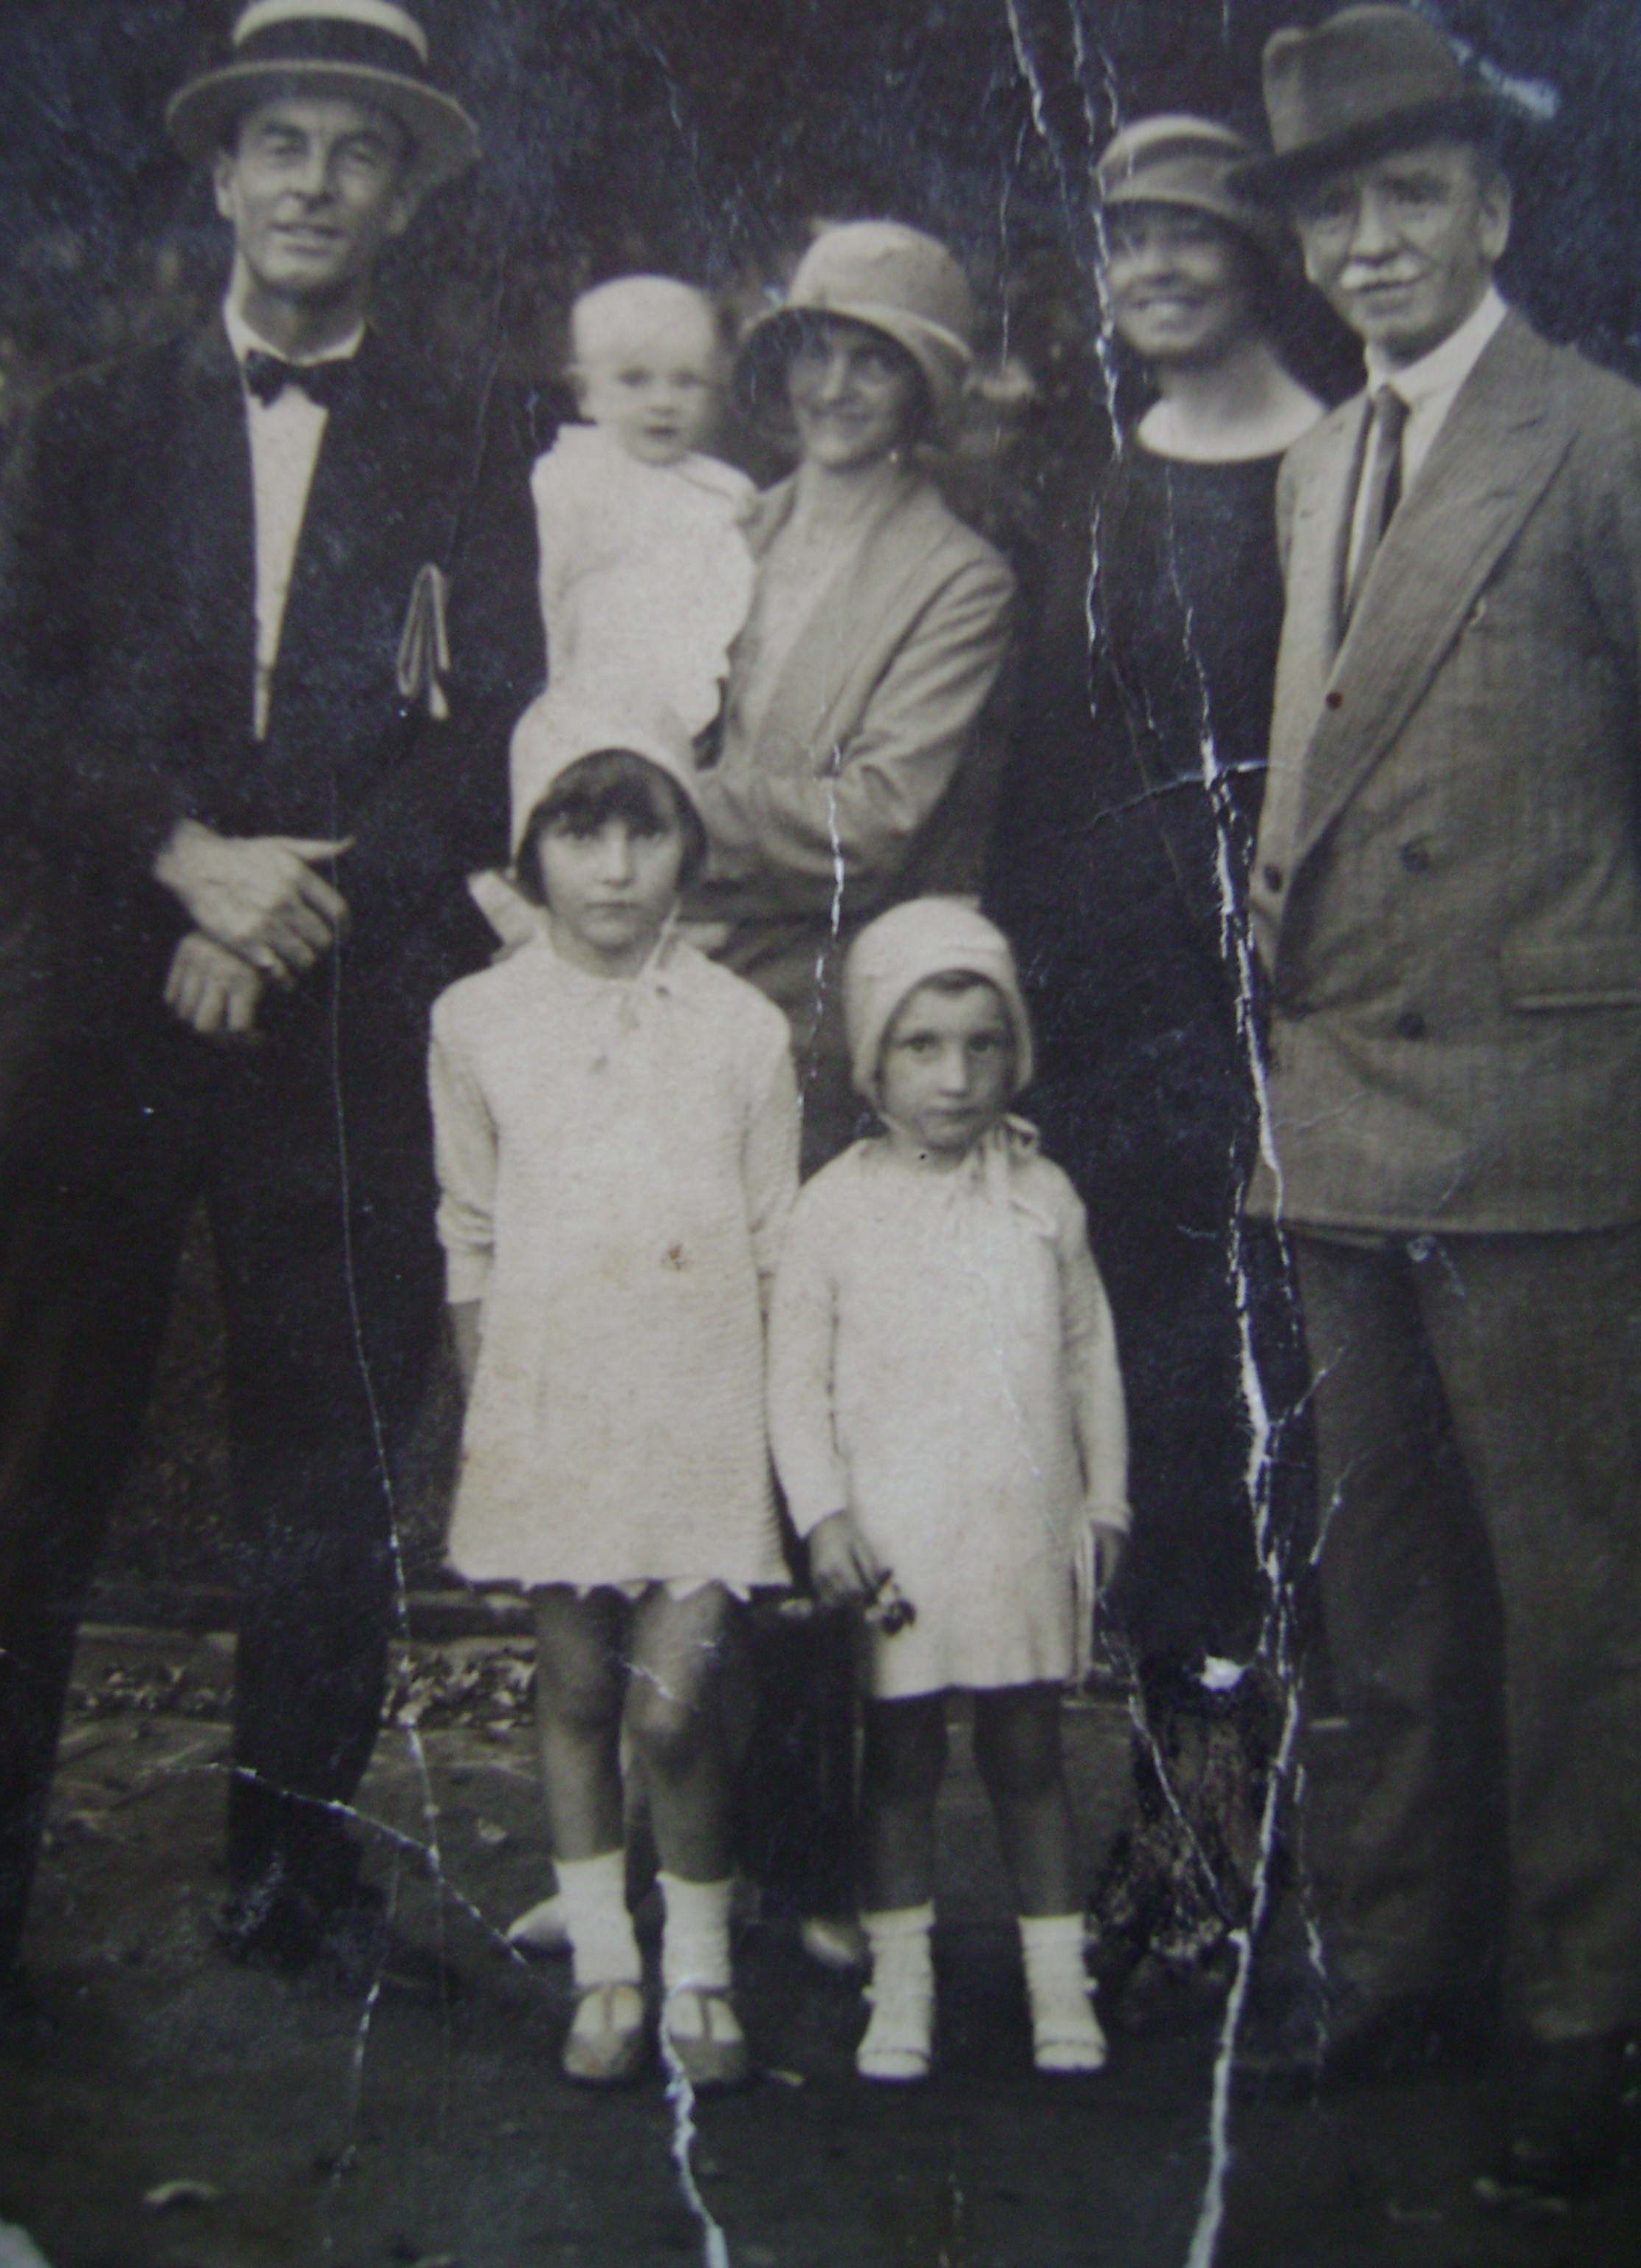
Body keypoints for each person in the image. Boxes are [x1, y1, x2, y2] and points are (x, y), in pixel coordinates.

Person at [0, 0, 544, 2027]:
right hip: (98, 1002)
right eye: (280, 143)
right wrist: (188, 860)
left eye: (358, 151)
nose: (314, 183)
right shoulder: (90, 419)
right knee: (32, 1455)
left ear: (405, 196)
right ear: (220, 175)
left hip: (342, 1003)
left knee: (327, 1462)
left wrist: (287, 910)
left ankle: (293, 1883)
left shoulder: (466, 434)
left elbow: (488, 735)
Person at [1237, 5, 1641, 2196]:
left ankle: (1587, 2015)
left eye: (1411, 194)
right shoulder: (1320, 461)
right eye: (1334, 211)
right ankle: (1402, 1966)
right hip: (1345, 1103)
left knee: (1580, 1610)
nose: (1371, 242)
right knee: (1378, 1576)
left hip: (1550, 1115)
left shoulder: (1605, 444)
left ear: (1495, 205)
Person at [1010, 118, 1324, 2012]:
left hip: (1273, 1019)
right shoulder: (1101, 478)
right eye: (1127, 239)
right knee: (1144, 1420)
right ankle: (1168, 1830)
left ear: (1257, 257)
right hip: (1113, 1025)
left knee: (1253, 1424)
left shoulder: (1331, 464)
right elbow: (1049, 763)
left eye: (1192, 237)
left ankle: (1255, 1851)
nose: (1156, 270)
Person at [684, 220, 1016, 1963]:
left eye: (874, 360)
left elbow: (875, 818)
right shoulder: (715, 524)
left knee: (809, 1434)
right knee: (677, 1418)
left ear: (924, 394)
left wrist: (644, 814)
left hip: (809, 1029)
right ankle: (679, 1839)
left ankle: (806, 1860)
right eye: (813, 349)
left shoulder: (956, 575)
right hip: (664, 1012)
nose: (833, 384)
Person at [429, 686, 799, 2089]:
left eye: (644, 834)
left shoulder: (742, 1030)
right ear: (531, 850)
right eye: (579, 835)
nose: (614, 870)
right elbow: (470, 1233)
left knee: (673, 1709)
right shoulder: (475, 1022)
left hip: (701, 1416)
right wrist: (493, 1416)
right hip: (552, 1411)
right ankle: (607, 1967)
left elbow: (775, 1247)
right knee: (579, 1691)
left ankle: (699, 1967)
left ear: (687, 848)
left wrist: (787, 1446)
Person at [767, 898, 1128, 2081]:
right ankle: (902, 1985)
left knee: (1029, 1756)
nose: (956, 1078)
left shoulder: (1045, 1197)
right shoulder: (834, 1208)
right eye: (921, 1047)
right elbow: (796, 1384)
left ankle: (1056, 1982)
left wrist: (1106, 1503)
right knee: (902, 1762)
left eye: (983, 1045)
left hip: (1018, 1527)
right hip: (898, 1539)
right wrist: (823, 1516)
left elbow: (1089, 1358)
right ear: (871, 1061)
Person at [533, 274, 754, 742]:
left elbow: (733, 608)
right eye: (635, 380)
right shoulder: (568, 481)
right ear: (584, 393)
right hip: (580, 714)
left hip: (690, 724)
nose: (663, 402)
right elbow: (546, 602)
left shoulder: (722, 495)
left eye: (687, 382)